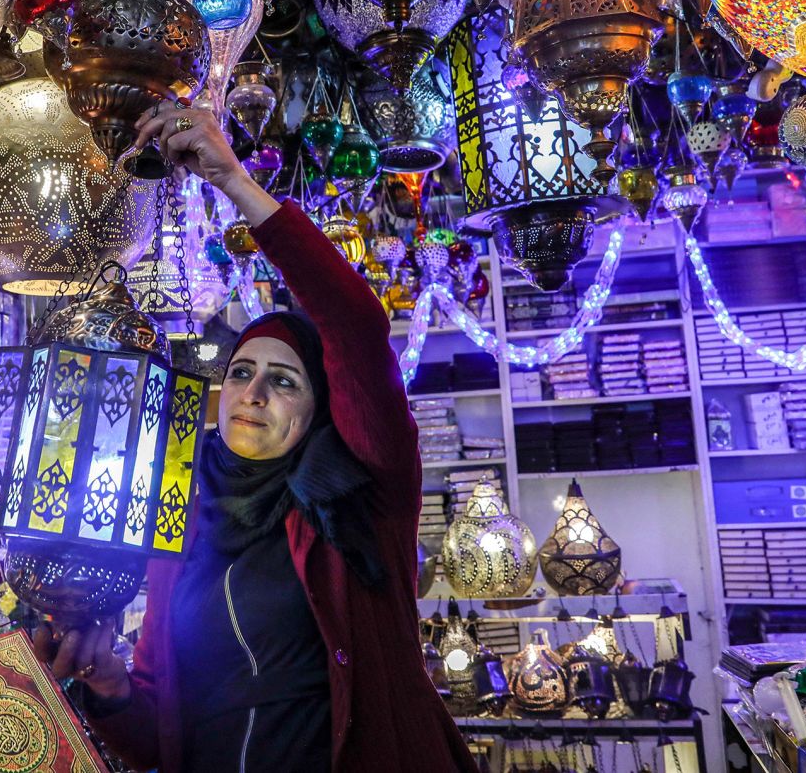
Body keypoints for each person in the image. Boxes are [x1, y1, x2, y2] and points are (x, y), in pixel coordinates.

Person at [34, 100, 479, 773]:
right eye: (241, 371)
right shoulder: (182, 518)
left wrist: (235, 182)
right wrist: (112, 687)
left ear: (321, 407)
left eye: (285, 380)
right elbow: (160, 728)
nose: (254, 392)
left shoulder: (362, 496)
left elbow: (355, 327)